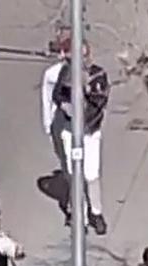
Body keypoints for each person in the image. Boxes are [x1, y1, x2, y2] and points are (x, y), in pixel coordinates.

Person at [51, 40, 110, 234]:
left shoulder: (97, 75)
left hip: (90, 132)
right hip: (70, 131)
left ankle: (96, 212)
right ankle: (80, 217)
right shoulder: (66, 73)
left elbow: (99, 103)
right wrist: (65, 106)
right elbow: (57, 94)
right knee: (75, 175)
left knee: (91, 174)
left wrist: (82, 116)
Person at [40, 32, 71, 172]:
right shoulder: (52, 74)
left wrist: (48, 124)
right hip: (67, 121)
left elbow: (47, 100)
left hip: (61, 122)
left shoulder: (52, 74)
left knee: (65, 157)